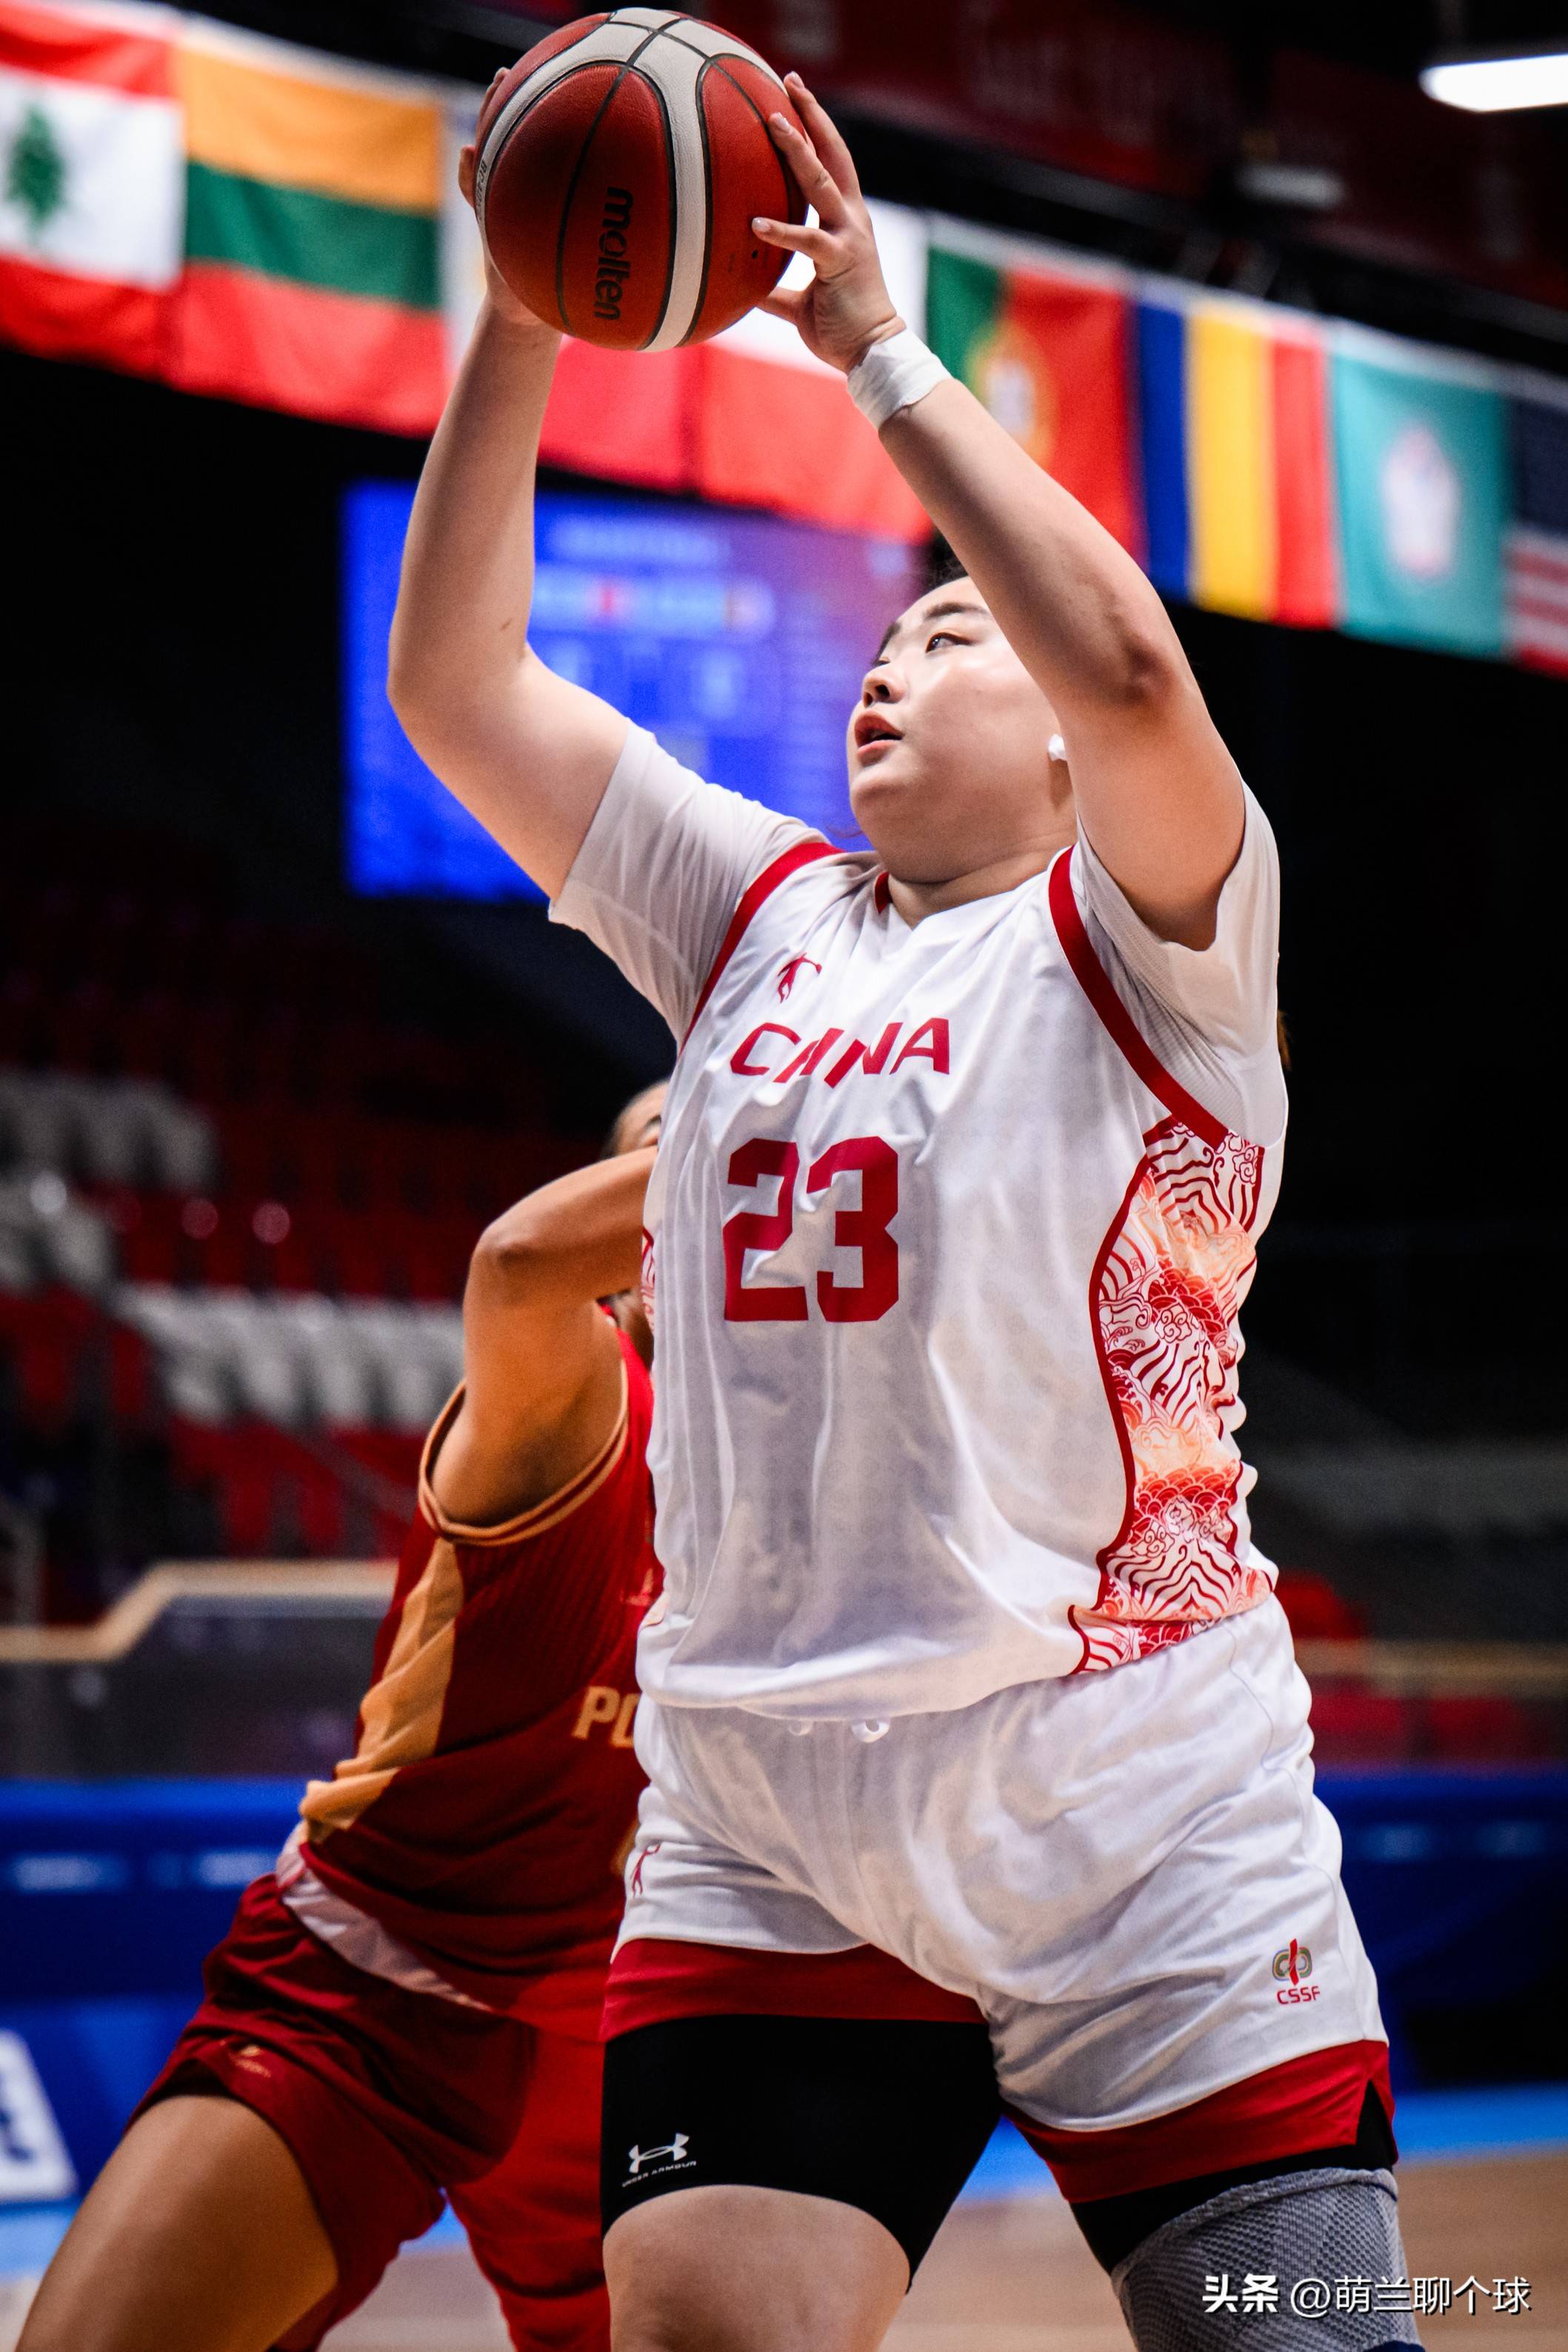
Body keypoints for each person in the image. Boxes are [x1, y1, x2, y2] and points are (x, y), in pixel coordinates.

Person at [390, 76, 1415, 2352]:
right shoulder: (753, 911)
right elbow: (457, 688)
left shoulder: (1157, 931)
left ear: (1055, 737)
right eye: (882, 642)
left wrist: (871, 347)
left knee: (1306, 2343)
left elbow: (1137, 668)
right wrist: (518, 316)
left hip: (1132, 1803)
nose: (888, 658)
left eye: (948, 639)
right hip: (769, 1815)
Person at [19, 1086, 665, 2352]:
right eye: (671, 1137)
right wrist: (801, 1104)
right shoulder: (581, 1377)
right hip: (383, 1989)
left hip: (632, 2038)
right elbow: (521, 1265)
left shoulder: (833, 1493)